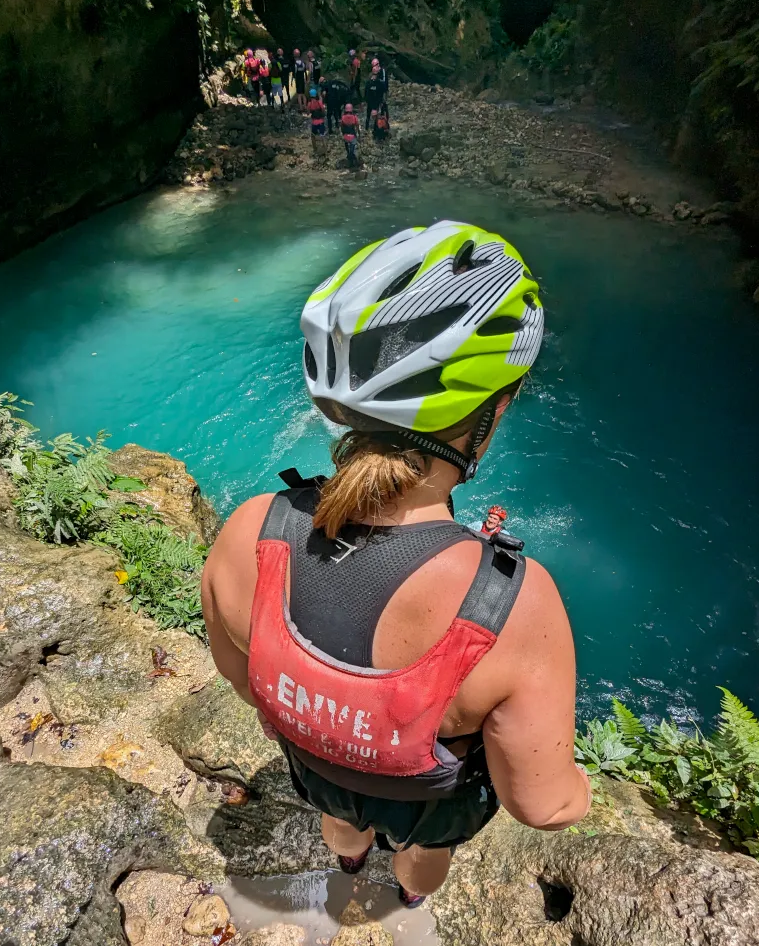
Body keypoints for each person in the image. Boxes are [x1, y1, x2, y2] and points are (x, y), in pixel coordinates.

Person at [202, 221, 589, 908]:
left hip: (319, 773)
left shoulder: (249, 533)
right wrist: (579, 790)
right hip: (426, 804)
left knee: (343, 818)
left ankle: (347, 868)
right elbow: (543, 805)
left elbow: (244, 681)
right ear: (488, 417)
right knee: (423, 854)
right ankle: (405, 901)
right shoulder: (513, 607)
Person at [340, 102, 360, 166]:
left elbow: (341, 127)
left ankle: (348, 153)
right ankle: (351, 155)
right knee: (353, 144)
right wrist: (358, 133)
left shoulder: (343, 117)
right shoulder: (354, 117)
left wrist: (343, 134)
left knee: (346, 142)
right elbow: (357, 126)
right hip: (352, 135)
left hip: (345, 136)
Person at [307, 87, 326, 153]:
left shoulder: (309, 103)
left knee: (313, 136)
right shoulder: (319, 102)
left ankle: (315, 149)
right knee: (322, 135)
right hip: (321, 121)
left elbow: (308, 112)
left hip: (314, 123)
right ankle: (324, 147)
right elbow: (323, 110)